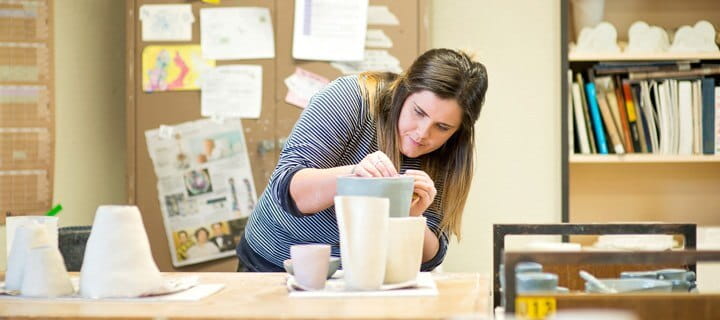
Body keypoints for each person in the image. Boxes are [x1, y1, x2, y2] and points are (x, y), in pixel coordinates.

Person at [237, 48, 488, 272]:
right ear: (403, 91)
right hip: (272, 264)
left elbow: (431, 257)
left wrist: (409, 219)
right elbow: (288, 191)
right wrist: (353, 176)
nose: (423, 133)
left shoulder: (449, 152)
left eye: (442, 127)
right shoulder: (351, 99)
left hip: (359, 277)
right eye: (418, 112)